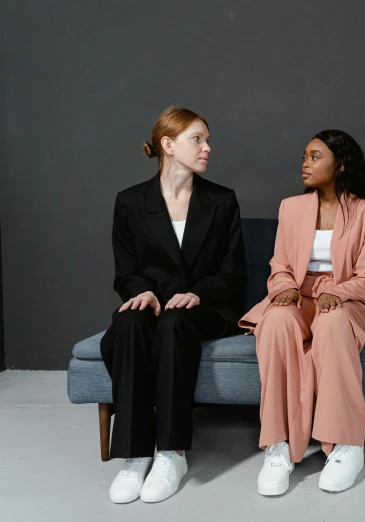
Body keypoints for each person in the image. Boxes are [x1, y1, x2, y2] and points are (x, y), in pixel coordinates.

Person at [100, 107, 246, 503]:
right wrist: (142, 292)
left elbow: (233, 276)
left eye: (207, 139)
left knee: (177, 321)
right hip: (154, 306)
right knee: (128, 323)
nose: (207, 148)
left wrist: (198, 292)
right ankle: (134, 455)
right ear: (168, 144)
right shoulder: (130, 202)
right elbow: (125, 271)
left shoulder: (221, 201)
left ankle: (171, 451)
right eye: (197, 139)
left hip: (205, 309)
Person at [240, 130, 365, 495]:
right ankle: (278, 445)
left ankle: (346, 444)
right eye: (304, 156)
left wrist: (337, 292)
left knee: (334, 322)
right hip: (299, 296)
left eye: (315, 156)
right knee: (274, 321)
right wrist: (284, 288)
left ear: (339, 164)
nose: (305, 164)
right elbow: (280, 265)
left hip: (349, 299)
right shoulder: (291, 207)